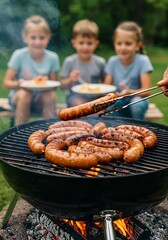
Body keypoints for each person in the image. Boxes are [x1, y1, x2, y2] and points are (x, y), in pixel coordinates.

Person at [3, 15, 60, 125]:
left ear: (48, 37)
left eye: (42, 37)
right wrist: (19, 83)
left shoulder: (53, 57)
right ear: (25, 38)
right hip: (18, 98)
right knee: (25, 93)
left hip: (41, 99)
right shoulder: (19, 55)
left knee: (50, 94)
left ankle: (48, 130)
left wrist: (45, 81)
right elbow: (6, 83)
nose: (37, 42)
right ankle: (20, 132)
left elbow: (54, 85)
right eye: (33, 37)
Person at [104, 21, 153, 120]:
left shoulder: (143, 61)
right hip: (119, 99)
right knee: (109, 105)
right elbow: (106, 87)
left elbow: (146, 91)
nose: (123, 47)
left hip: (137, 99)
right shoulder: (112, 61)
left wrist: (130, 92)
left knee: (136, 105)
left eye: (128, 43)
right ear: (114, 44)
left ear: (138, 45)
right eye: (119, 43)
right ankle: (115, 129)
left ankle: (138, 128)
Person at [60, 19, 106, 107]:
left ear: (96, 43)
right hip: (74, 97)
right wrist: (70, 79)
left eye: (89, 43)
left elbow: (105, 85)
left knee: (100, 105)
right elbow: (62, 86)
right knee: (79, 103)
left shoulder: (100, 62)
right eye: (81, 43)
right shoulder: (69, 61)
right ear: (74, 43)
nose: (85, 47)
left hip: (95, 97)